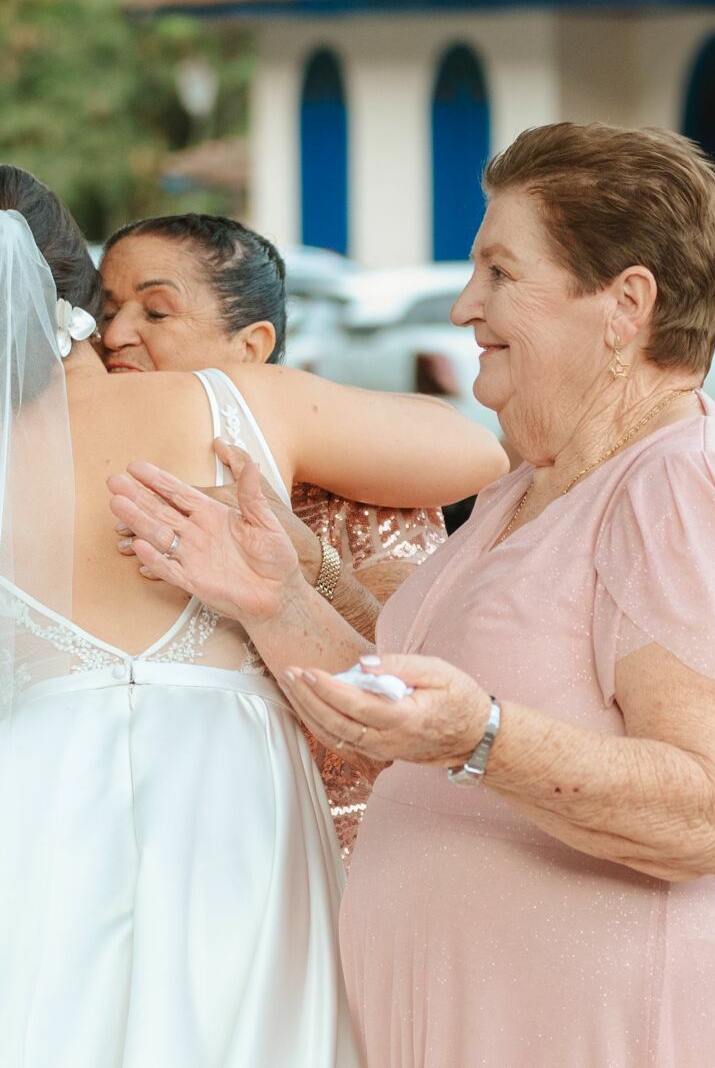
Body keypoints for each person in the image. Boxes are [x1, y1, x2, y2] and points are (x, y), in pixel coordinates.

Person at [0, 163, 508, 1068]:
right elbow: (474, 454)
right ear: (77, 282)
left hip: (17, 803)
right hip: (227, 795)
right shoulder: (235, 405)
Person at [114, 123, 715, 1065]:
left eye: (499, 273)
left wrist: (483, 738)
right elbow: (411, 710)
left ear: (625, 303)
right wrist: (276, 594)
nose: (462, 306)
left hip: (624, 1028)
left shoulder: (692, 489)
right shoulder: (520, 489)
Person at [99, 212, 452, 857]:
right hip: (149, 847)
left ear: (253, 347)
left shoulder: (365, 489)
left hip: (330, 851)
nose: (115, 334)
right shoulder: (96, 481)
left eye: (155, 313)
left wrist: (307, 561)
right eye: (105, 308)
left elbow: (411, 671)